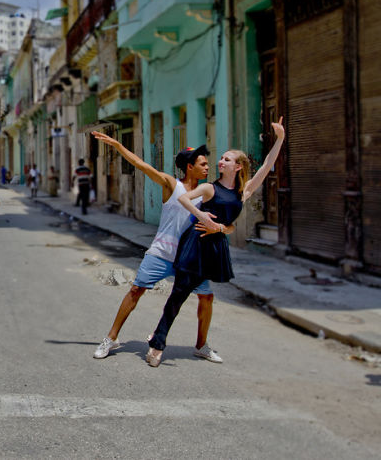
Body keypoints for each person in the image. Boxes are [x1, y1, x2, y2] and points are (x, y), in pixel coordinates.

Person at [146, 117, 286, 367]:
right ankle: (157, 343)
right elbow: (185, 199)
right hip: (196, 244)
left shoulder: (242, 192)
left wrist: (280, 139)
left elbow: (266, 166)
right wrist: (202, 216)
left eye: (227, 159)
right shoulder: (210, 188)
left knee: (203, 296)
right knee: (179, 295)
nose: (221, 161)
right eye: (221, 158)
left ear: (239, 167)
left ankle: (193, 344)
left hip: (215, 248)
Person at [90, 135, 232, 362]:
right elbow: (141, 165)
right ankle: (112, 337)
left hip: (191, 258)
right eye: (202, 164)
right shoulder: (171, 185)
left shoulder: (208, 192)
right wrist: (117, 145)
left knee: (206, 297)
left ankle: (201, 345)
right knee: (136, 290)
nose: (207, 167)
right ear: (189, 166)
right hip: (161, 252)